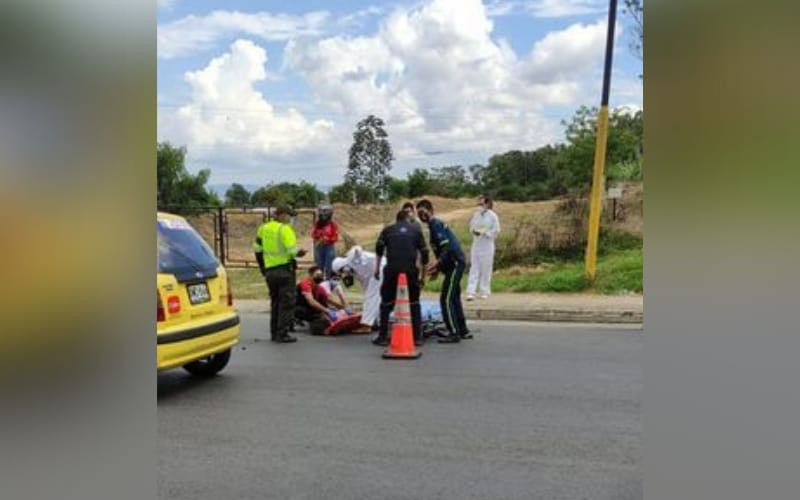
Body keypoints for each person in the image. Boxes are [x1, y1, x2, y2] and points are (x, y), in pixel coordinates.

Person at [415, 199, 470, 342]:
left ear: (431, 211)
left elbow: (446, 248)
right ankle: (462, 330)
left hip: (455, 264)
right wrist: (438, 268)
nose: (422, 216)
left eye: (423, 212)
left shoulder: (436, 225)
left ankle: (454, 332)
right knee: (454, 297)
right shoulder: (434, 226)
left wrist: (437, 264)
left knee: (445, 299)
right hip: (452, 264)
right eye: (419, 214)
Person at [373, 210, 429, 346]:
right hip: (410, 271)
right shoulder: (416, 231)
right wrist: (423, 276)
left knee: (386, 303)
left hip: (391, 270)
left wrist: (377, 269)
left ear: (396, 219)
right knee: (414, 303)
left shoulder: (387, 230)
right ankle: (417, 337)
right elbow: (424, 253)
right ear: (408, 219)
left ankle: (382, 336)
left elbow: (379, 249)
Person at [253, 204, 307, 343]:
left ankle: (274, 332)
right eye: (290, 215)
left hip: (270, 271)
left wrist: (263, 268)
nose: (290, 219)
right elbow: (291, 251)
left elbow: (257, 249)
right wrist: (300, 253)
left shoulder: (263, 228)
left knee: (275, 302)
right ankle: (282, 333)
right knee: (287, 302)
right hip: (284, 270)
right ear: (282, 214)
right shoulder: (285, 229)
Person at [332, 246, 386, 330]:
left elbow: (357, 249)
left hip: (381, 268)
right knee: (378, 297)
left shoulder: (352, 260)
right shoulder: (357, 275)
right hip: (379, 273)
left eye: (342, 271)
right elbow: (366, 288)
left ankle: (367, 325)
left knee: (371, 297)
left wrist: (354, 252)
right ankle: (378, 321)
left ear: (343, 265)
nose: (344, 274)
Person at [466, 196, 500, 300]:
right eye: (478, 204)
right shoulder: (476, 215)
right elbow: (471, 226)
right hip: (476, 244)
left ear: (487, 204)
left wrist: (486, 233)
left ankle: (484, 291)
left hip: (487, 245)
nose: (479, 206)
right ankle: (471, 291)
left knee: (486, 269)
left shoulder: (493, 216)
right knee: (474, 268)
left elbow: (497, 230)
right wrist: (474, 231)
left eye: (481, 204)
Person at [296, 265, 341, 335]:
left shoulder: (319, 287)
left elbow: (329, 299)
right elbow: (311, 302)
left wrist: (343, 308)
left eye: (321, 275)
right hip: (298, 307)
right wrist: (327, 311)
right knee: (321, 317)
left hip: (309, 308)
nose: (320, 277)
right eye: (317, 275)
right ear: (311, 275)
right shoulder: (305, 283)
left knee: (327, 307)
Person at [312, 204, 339, 278]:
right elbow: (313, 234)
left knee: (329, 267)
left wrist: (326, 239)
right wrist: (318, 239)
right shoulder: (317, 224)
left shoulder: (332, 225)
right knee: (319, 267)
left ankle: (328, 282)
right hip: (319, 248)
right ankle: (319, 284)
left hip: (329, 248)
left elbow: (335, 237)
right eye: (321, 213)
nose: (322, 215)